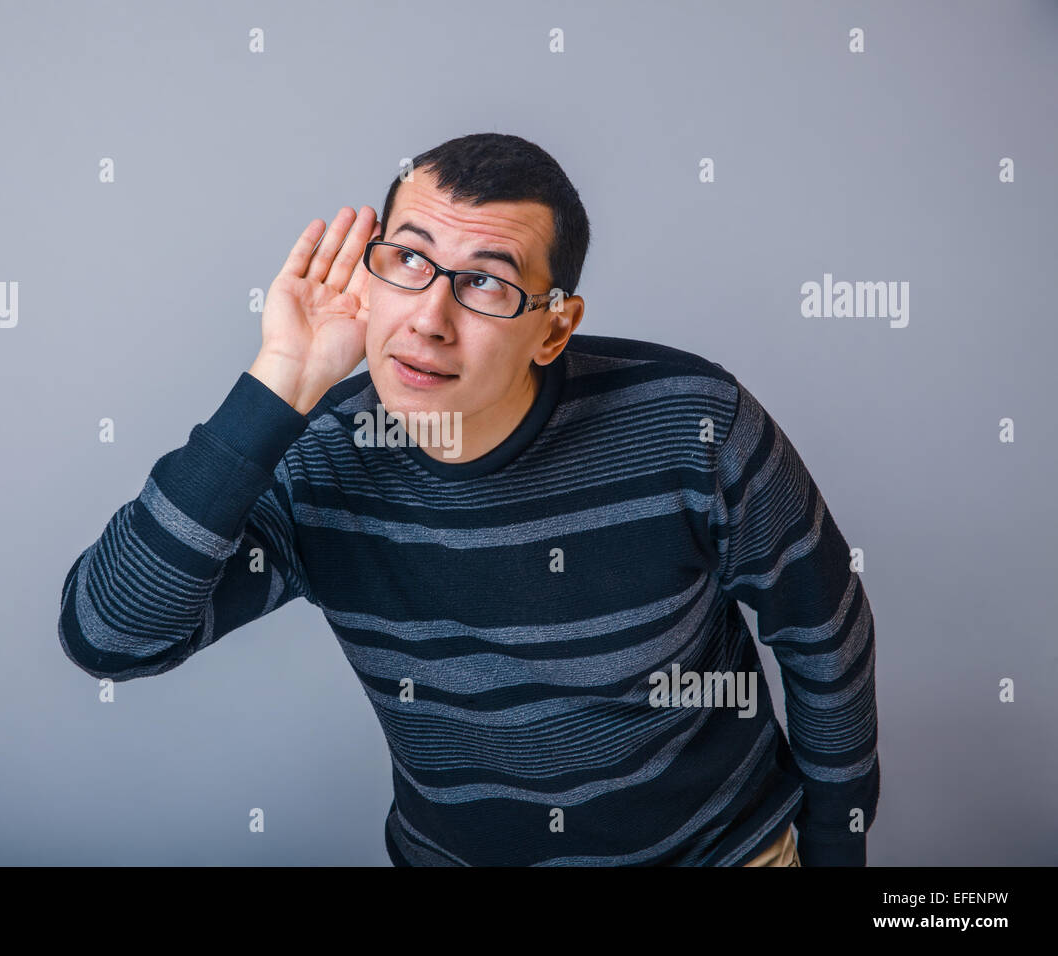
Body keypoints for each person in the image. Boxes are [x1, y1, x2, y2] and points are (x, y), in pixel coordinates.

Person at [56, 132, 879, 866]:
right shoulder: (317, 459)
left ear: (554, 329)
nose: (429, 319)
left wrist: (838, 849)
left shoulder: (691, 422)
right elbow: (110, 637)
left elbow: (823, 638)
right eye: (409, 262)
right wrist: (280, 382)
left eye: (485, 282)